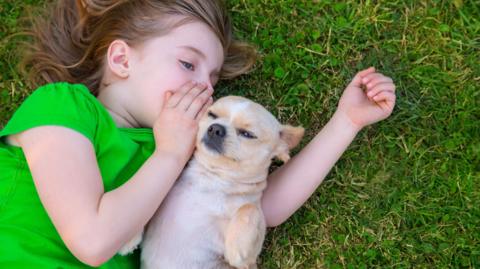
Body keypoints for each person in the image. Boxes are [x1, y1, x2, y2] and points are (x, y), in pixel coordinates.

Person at [0, 0, 396, 268]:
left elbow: (263, 204)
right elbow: (92, 240)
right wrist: (169, 156)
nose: (205, 89)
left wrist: (346, 122)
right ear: (121, 59)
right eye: (188, 64)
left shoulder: (176, 144)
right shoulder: (62, 107)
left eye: (213, 79)